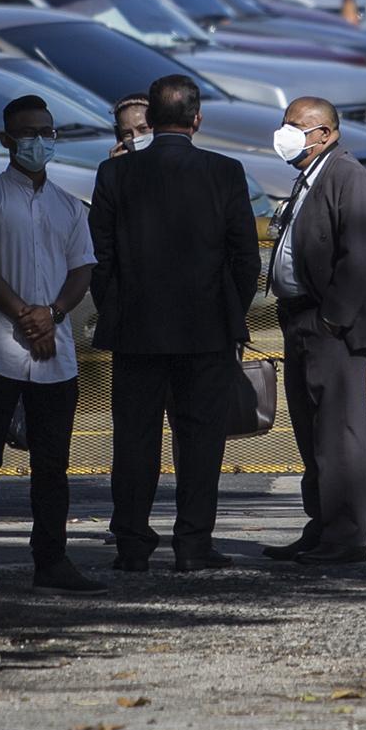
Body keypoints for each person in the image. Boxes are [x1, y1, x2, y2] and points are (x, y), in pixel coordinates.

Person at [91, 74, 261, 573]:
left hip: (136, 332)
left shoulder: (115, 175)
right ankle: (192, 543)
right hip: (205, 331)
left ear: (152, 120)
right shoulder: (225, 172)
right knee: (201, 443)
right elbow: (245, 259)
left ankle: (132, 544)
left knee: (134, 442)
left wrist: (116, 307)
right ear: (196, 118)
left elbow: (99, 258)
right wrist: (229, 311)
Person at [0, 95, 103, 598]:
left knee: (52, 465)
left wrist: (53, 314)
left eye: (46, 132)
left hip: (54, 357)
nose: (39, 141)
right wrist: (25, 314)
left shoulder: (67, 205)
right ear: (6, 141)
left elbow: (83, 267)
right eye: (28, 133)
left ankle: (51, 560)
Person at [259, 96, 366, 566]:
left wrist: (331, 319)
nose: (287, 132)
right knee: (312, 436)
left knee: (340, 437)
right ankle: (322, 527)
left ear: (328, 134)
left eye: (299, 126)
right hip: (300, 320)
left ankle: (345, 537)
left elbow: (358, 259)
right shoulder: (308, 178)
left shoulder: (347, 177)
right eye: (285, 123)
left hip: (331, 328)